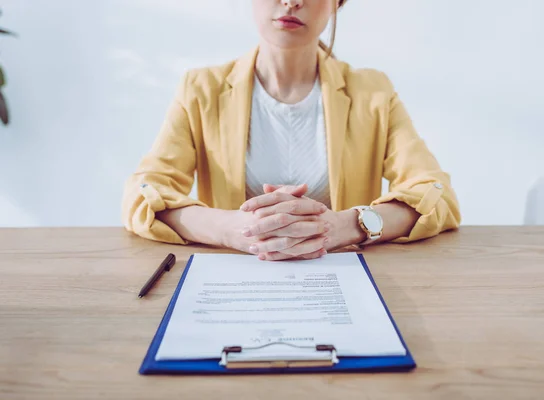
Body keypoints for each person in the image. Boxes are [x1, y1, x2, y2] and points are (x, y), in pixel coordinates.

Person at [121, 0, 461, 261]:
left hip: (339, 280)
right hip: (232, 279)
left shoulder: (372, 91)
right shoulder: (201, 88)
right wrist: (233, 230)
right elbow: (144, 194)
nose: (292, 0)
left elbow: (435, 194)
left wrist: (347, 225)